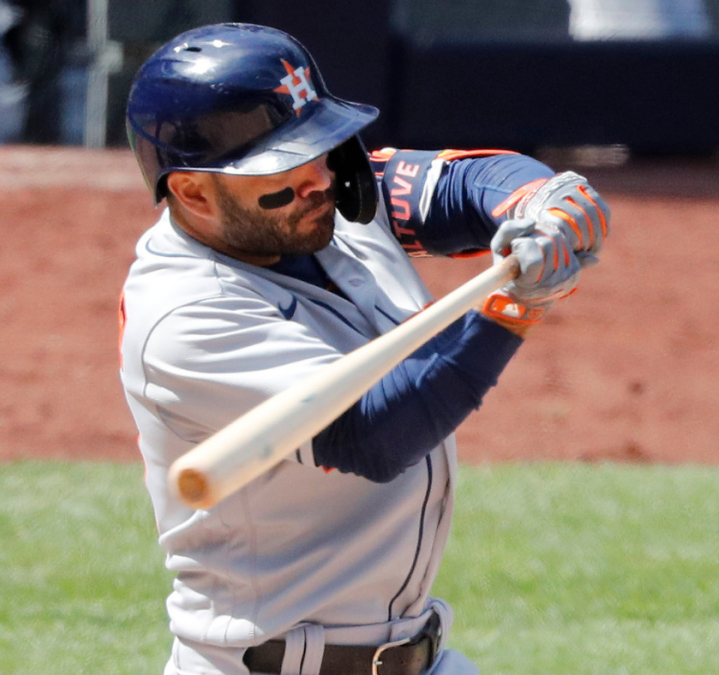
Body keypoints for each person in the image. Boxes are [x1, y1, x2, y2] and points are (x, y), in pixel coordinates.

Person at [118, 23, 611, 675]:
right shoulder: (185, 314)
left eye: (321, 147)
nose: (320, 178)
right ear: (193, 192)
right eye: (283, 167)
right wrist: (516, 304)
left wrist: (541, 206)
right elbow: (378, 432)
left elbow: (472, 185)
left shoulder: (322, 207)